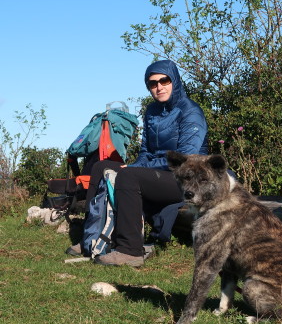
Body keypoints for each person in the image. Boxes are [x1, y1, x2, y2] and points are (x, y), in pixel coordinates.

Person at [66, 59, 208, 267]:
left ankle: (130, 250)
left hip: (188, 178)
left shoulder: (190, 111)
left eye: (164, 80)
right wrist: (137, 164)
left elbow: (186, 158)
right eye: (152, 83)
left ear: (174, 81)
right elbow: (145, 152)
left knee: (128, 176)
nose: (159, 87)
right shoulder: (151, 111)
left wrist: (136, 168)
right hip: (160, 173)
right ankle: (92, 235)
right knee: (101, 167)